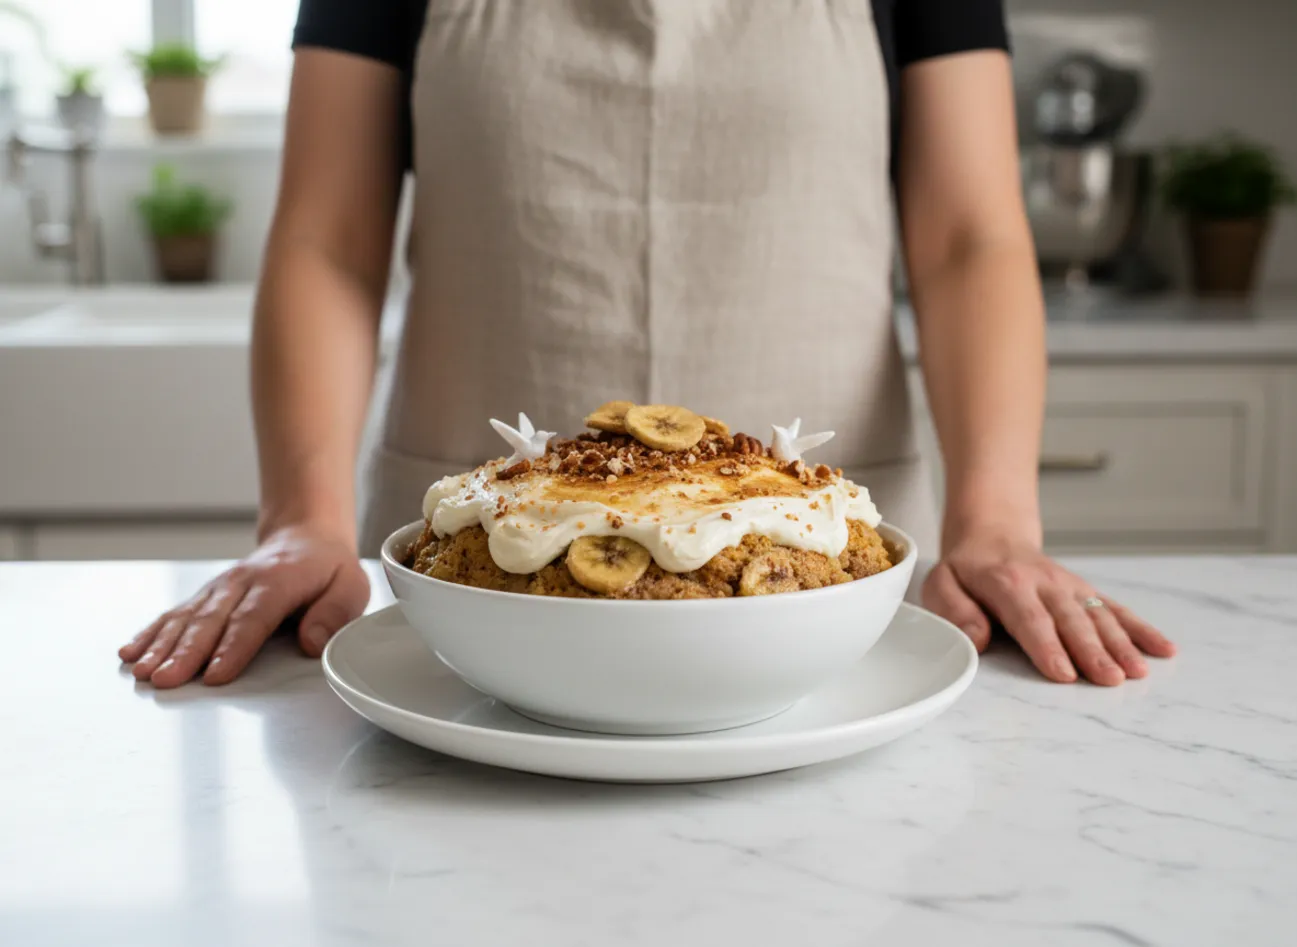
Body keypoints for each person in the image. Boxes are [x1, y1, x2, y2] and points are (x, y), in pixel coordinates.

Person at [119, 0, 1174, 689]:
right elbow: (328, 240)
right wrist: (300, 519)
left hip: (817, 578)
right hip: (477, 585)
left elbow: (967, 238)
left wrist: (997, 522)